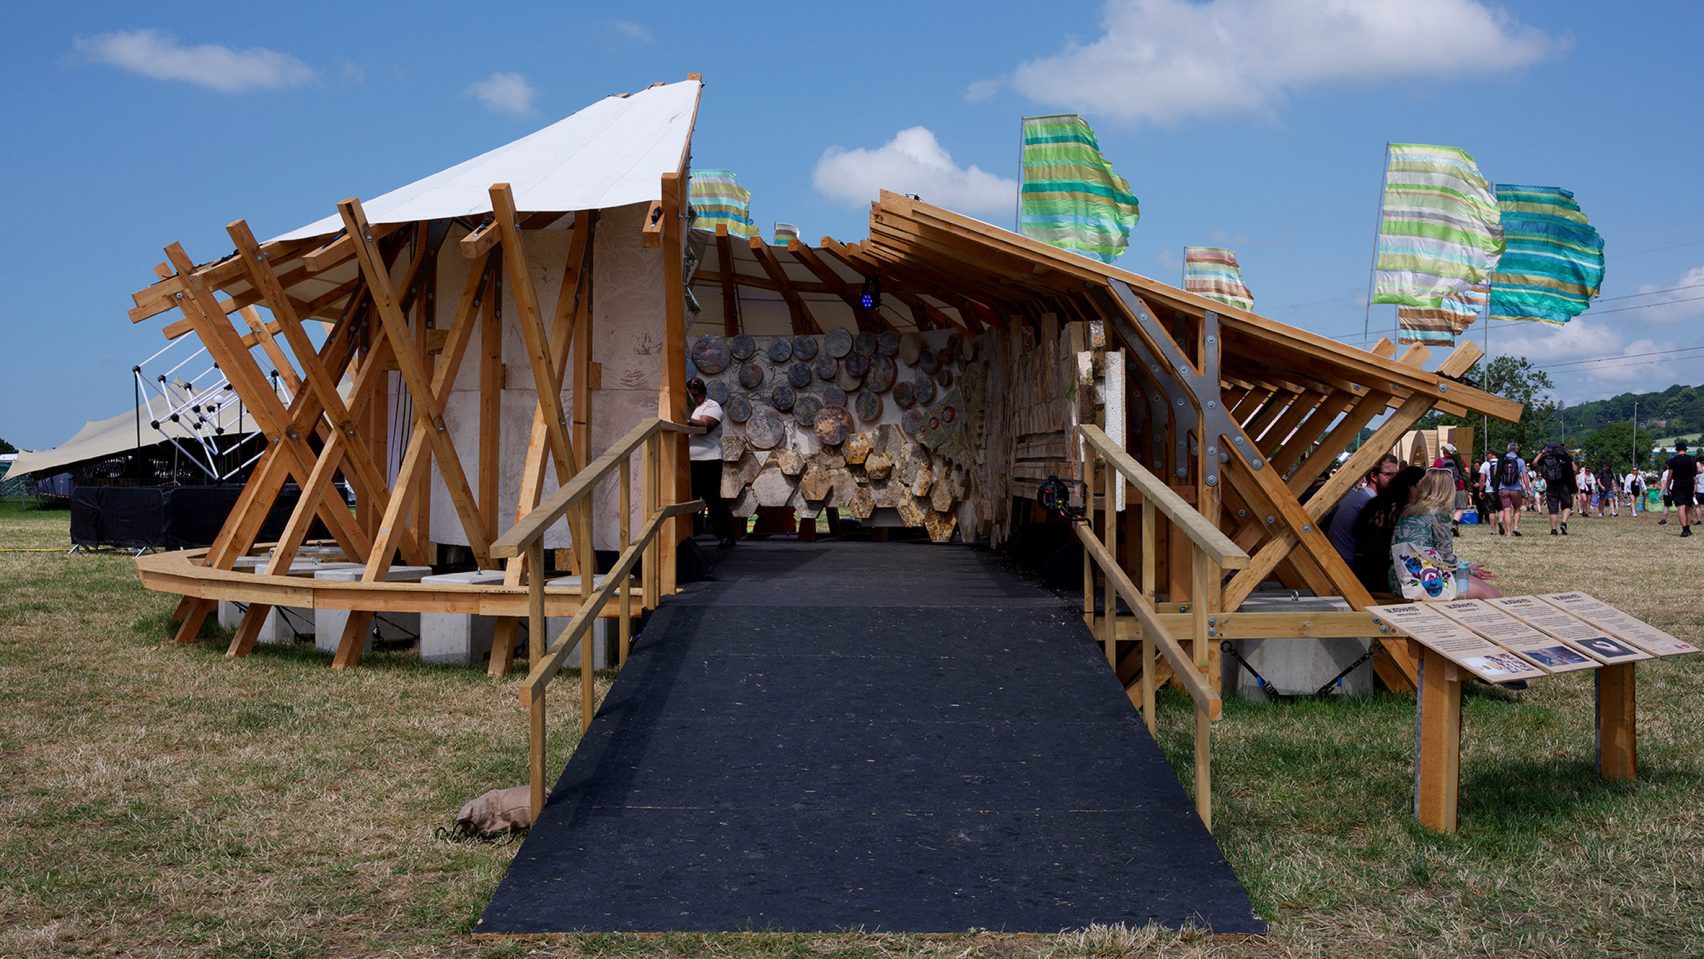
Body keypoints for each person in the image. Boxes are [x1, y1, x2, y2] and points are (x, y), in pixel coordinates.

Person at [1391, 469, 1501, 599]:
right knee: (1492, 595)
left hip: (1397, 579)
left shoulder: (1408, 510)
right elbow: (1446, 558)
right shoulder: (1439, 514)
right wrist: (1468, 569)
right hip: (1424, 582)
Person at [1350, 466, 1425, 596]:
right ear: (1411, 487)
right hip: (1382, 576)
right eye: (1424, 488)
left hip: (1362, 569)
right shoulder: (1400, 510)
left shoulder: (1379, 503)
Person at [686, 377, 736, 548]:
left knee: (712, 498)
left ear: (703, 390)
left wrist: (683, 420)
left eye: (696, 388)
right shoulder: (693, 408)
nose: (694, 390)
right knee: (691, 498)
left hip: (709, 459)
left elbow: (705, 426)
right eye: (691, 388)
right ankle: (691, 533)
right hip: (692, 460)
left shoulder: (712, 406)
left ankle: (727, 535)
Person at [1328, 453, 1400, 565]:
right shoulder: (1368, 501)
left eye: (1396, 475)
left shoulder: (1361, 495)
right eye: (1389, 475)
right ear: (1373, 476)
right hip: (1348, 566)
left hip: (1342, 560)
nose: (1394, 480)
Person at [1538, 443, 1576, 535]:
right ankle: (1563, 522)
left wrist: (1542, 452)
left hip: (1551, 486)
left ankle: (1553, 530)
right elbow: (1574, 468)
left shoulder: (1547, 459)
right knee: (1567, 506)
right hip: (1564, 485)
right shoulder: (1565, 457)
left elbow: (1535, 462)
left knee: (1553, 509)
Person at [1430, 443, 1468, 534]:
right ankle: (1455, 523)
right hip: (1459, 486)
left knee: (1445, 508)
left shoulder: (1438, 461)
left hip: (1445, 488)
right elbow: (1467, 471)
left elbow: (1434, 475)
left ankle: (1445, 527)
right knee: (1460, 508)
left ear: (1443, 452)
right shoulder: (1459, 461)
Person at [1496, 442, 1531, 536]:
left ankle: (1508, 532)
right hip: (1516, 489)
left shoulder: (1502, 460)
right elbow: (1524, 476)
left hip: (1503, 488)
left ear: (1507, 449)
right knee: (1517, 508)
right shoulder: (1520, 461)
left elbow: (1496, 473)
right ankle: (1515, 527)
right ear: (1516, 449)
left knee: (1507, 510)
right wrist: (1528, 489)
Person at [1665, 440, 1697, 537]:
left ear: (1677, 450)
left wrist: (1668, 487)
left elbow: (1669, 476)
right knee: (1689, 506)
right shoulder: (1692, 459)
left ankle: (1684, 530)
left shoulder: (1673, 460)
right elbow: (1696, 473)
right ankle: (1688, 528)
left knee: (1681, 507)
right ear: (1685, 450)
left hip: (1678, 485)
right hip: (1689, 485)